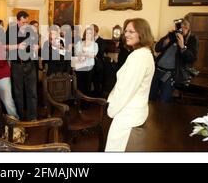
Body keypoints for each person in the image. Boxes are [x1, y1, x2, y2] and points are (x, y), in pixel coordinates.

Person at [105, 18, 155, 152]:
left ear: (142, 33)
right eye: (125, 31)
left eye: (131, 31)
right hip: (136, 111)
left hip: (127, 114)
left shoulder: (138, 57)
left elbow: (126, 90)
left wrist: (111, 110)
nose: (126, 34)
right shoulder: (145, 53)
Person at [149, 17, 199, 103]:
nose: (178, 30)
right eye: (177, 28)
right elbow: (157, 48)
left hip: (171, 74)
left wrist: (183, 47)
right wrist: (166, 41)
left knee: (163, 101)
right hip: (157, 71)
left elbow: (192, 59)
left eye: (181, 28)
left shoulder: (192, 39)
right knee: (150, 97)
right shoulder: (171, 35)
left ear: (186, 28)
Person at [6, 11, 39, 121]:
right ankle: (20, 118)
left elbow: (36, 44)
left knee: (32, 93)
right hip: (17, 66)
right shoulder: (10, 30)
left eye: (27, 22)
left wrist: (36, 47)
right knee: (18, 93)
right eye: (23, 22)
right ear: (18, 20)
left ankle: (32, 117)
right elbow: (4, 46)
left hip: (30, 64)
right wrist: (17, 46)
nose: (26, 24)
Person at [73, 26, 98, 96]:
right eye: (87, 33)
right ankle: (78, 101)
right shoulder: (79, 43)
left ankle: (86, 103)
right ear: (84, 34)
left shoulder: (95, 45)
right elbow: (76, 54)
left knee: (87, 85)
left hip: (89, 67)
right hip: (80, 66)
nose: (88, 35)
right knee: (79, 84)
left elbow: (93, 55)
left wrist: (83, 53)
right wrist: (86, 54)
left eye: (90, 33)